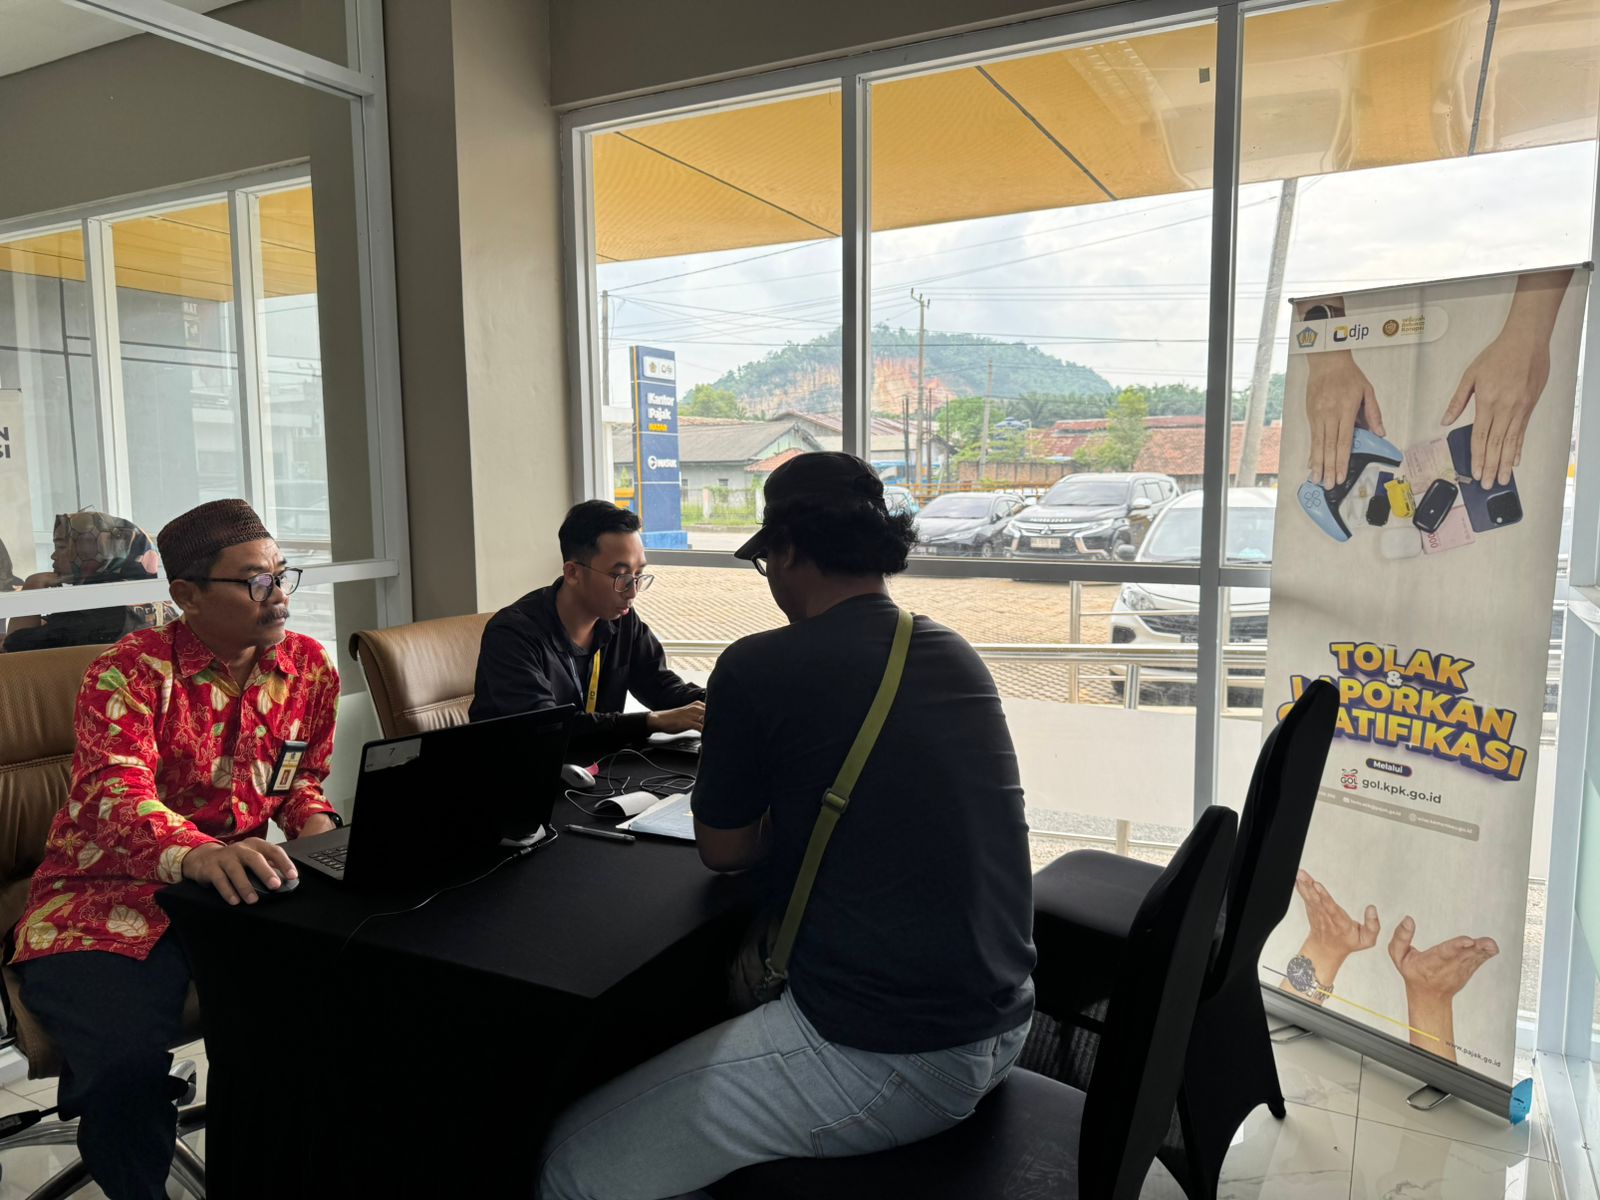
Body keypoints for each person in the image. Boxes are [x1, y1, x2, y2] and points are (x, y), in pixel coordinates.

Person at [538, 452, 1038, 1199]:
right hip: (1005, 1020)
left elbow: (724, 847)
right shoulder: (948, 650)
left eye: (767, 559)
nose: (770, 578)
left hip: (889, 1052)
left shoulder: (759, 664)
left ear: (792, 549)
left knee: (567, 1166)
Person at [8, 499, 342, 1199]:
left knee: (322, 1016)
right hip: (102, 896)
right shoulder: (128, 672)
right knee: (124, 1062)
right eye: (255, 581)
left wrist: (317, 827)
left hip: (237, 890)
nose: (278, 595)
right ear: (187, 594)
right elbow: (115, 793)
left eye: (282, 574)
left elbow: (299, 778)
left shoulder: (308, 668)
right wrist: (195, 852)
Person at [470, 500, 704, 759]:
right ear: (572, 573)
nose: (632, 592)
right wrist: (652, 721)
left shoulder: (621, 620)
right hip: (519, 773)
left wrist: (719, 699)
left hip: (595, 767)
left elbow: (660, 687)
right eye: (621, 576)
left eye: (638, 575)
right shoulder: (512, 634)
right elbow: (549, 728)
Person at [3, 511, 175, 653]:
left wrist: (33, 585)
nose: (53, 556)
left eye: (62, 547)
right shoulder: (146, 598)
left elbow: (15, 649)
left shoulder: (105, 609)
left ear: (97, 549)